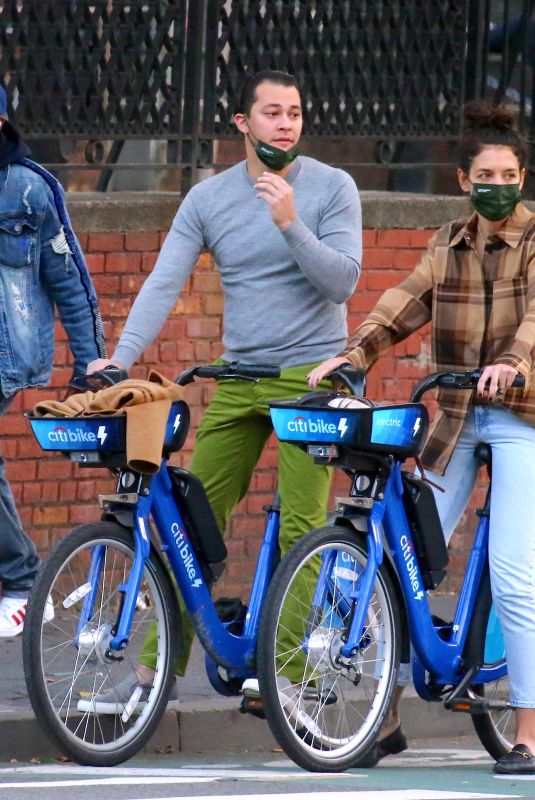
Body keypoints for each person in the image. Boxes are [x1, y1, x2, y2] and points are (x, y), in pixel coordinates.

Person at [84, 70, 362, 712]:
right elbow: (162, 281)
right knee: (186, 520)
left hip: (310, 377)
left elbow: (344, 283)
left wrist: (291, 222)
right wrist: (121, 359)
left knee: (302, 521)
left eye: (295, 112)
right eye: (271, 112)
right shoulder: (207, 200)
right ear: (244, 123)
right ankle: (152, 676)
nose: (286, 123)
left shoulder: (331, 187)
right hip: (239, 377)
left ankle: (286, 673)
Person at [308, 100, 535, 775]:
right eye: (485, 174)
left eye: (510, 173)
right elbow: (400, 301)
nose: (498, 183)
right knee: (401, 553)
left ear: (522, 175)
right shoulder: (446, 242)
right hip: (454, 416)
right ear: (463, 181)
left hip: (523, 415)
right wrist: (354, 355)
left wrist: (513, 364)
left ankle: (528, 729)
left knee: (515, 576)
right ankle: (382, 716)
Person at [0, 84, 105, 636]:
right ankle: (20, 576)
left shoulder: (29, 190)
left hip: (4, 352)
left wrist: (90, 367)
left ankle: (21, 579)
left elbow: (70, 281)